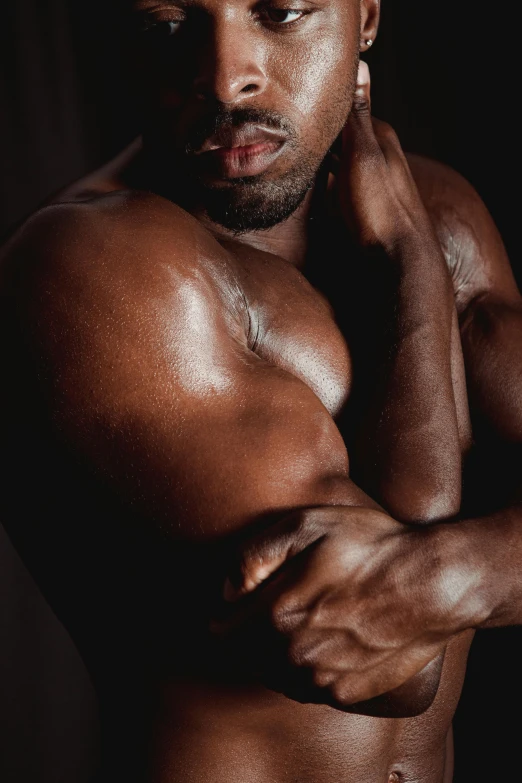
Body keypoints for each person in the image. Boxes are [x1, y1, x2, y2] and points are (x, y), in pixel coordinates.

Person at [1, 1, 521, 781]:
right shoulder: (90, 269)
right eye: (168, 25)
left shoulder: (446, 214)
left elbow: (414, 595)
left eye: (280, 11)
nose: (226, 78)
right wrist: (410, 268)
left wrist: (454, 577)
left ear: (366, 16)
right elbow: (395, 661)